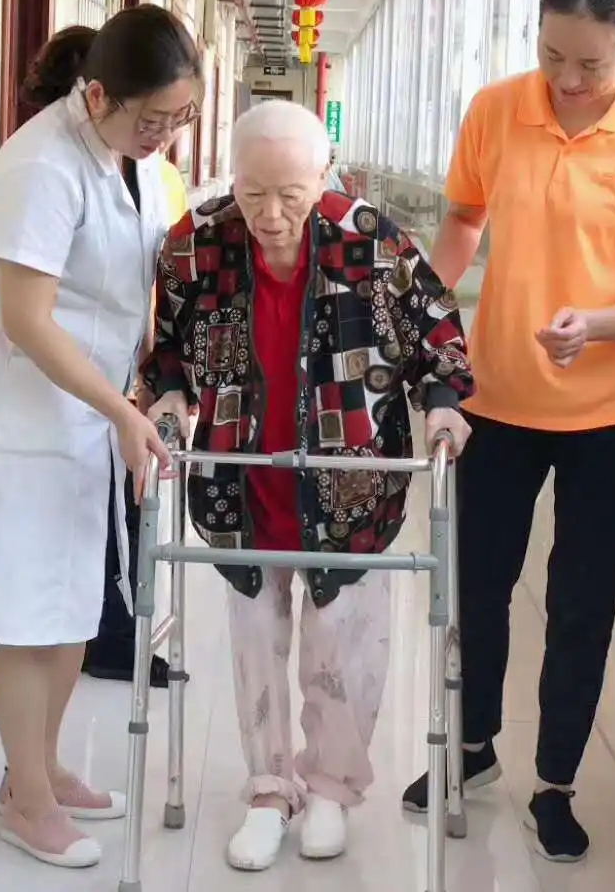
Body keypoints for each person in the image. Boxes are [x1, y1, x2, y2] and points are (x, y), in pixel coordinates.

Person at [401, 0, 615, 864]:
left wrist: (595, 326)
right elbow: (463, 223)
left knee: (582, 600)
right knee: (477, 585)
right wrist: (416, 314)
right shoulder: (498, 110)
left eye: (591, 66)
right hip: (496, 396)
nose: (568, 81)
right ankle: (473, 744)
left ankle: (557, 782)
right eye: (552, 57)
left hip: (611, 413)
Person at [143, 101, 474, 872]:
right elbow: (165, 352)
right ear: (231, 177)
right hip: (241, 486)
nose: (269, 214)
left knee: (346, 648)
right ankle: (268, 791)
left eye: (290, 194)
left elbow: (438, 341)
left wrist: (443, 408)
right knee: (255, 646)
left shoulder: (375, 244)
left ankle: (330, 788)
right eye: (252, 192)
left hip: (352, 488)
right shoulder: (194, 245)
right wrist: (167, 399)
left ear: (325, 177)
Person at [0, 7, 202, 869]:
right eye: (151, 118)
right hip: (25, 423)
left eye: (180, 118)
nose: (162, 135)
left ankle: (42, 769)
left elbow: (127, 289)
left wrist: (140, 390)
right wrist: (120, 409)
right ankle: (25, 799)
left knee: (75, 607)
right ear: (100, 93)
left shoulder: (129, 161)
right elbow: (29, 320)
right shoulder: (41, 164)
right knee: (26, 617)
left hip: (88, 417)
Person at [81, 153, 191, 689]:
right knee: (101, 515)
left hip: (135, 374)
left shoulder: (162, 180)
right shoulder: (69, 171)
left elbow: (161, 288)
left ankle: (115, 631)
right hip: (87, 379)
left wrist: (156, 379)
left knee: (127, 510)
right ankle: (105, 636)